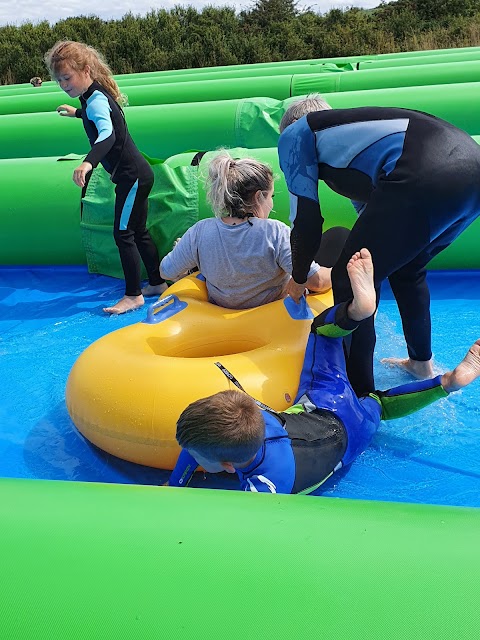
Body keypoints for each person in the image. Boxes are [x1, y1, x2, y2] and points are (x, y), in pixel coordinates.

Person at [166, 248, 480, 494]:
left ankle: (448, 382)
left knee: (379, 405)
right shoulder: (248, 418)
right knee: (320, 330)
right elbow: (201, 442)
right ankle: (356, 312)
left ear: (227, 466)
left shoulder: (265, 487)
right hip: (329, 403)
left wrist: (174, 485)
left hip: (352, 434)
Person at [277, 95, 480, 396]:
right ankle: (420, 363)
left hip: (425, 172)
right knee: (407, 268)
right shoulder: (353, 138)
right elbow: (373, 219)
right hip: (471, 171)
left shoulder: (296, 135)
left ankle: (360, 396)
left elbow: (305, 220)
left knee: (349, 277)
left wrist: (297, 278)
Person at [44, 40, 167, 314]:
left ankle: (134, 295)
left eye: (67, 77)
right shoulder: (90, 98)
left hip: (131, 177)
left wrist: (88, 163)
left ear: (86, 70)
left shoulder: (97, 99)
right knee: (138, 231)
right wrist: (76, 112)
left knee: (123, 233)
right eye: (59, 80)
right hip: (136, 174)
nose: (64, 84)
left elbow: (108, 135)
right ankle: (157, 282)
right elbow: (96, 116)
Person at [160, 152, 331, 309]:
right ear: (258, 197)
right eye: (271, 197)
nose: (271, 204)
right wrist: (341, 270)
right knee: (335, 237)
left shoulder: (200, 232)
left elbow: (166, 271)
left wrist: (183, 251)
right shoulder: (273, 233)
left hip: (220, 315)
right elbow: (316, 282)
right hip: (272, 318)